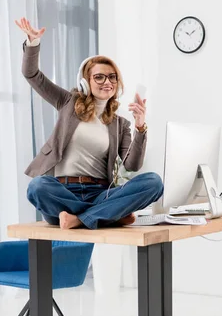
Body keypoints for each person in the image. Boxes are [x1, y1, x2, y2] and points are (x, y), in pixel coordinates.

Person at [15, 17, 164, 230]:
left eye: (112, 77)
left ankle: (80, 219)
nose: (107, 82)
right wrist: (33, 42)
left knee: (153, 183)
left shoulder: (120, 124)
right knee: (37, 187)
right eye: (99, 77)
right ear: (85, 81)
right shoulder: (67, 102)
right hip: (62, 194)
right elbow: (31, 74)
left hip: (100, 192)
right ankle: (105, 214)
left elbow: (132, 166)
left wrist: (140, 126)